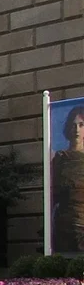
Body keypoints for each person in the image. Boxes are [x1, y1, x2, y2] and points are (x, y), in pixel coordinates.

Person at [52, 106, 84, 253]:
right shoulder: (60, 158)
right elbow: (53, 194)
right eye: (73, 124)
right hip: (64, 225)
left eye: (81, 124)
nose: (77, 129)